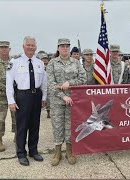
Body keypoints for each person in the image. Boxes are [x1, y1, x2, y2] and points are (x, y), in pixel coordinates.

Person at [6, 36, 47, 166]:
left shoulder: (39, 63)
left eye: (32, 45)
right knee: (22, 126)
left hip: (36, 96)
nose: (30, 47)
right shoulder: (15, 62)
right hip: (22, 96)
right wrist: (11, 100)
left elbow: (44, 82)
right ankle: (21, 153)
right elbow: (8, 82)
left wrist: (44, 97)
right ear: (23, 46)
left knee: (35, 125)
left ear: (36, 47)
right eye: (28, 45)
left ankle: (33, 151)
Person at [46, 38, 86, 166]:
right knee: (57, 126)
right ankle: (57, 152)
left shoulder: (76, 62)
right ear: (58, 48)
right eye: (62, 46)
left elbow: (83, 78)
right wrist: (63, 96)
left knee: (69, 126)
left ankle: (70, 151)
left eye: (67, 46)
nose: (64, 48)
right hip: (57, 100)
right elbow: (51, 84)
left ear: (69, 48)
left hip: (72, 100)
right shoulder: (52, 63)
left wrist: (70, 83)